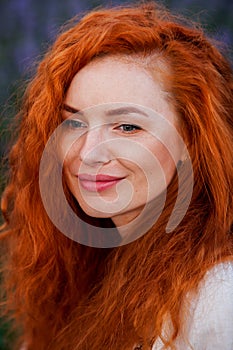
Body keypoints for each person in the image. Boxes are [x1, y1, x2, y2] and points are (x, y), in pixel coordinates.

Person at [0, 2, 233, 349]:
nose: (89, 153)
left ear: (192, 141)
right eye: (74, 122)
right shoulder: (79, 265)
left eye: (127, 127)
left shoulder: (217, 300)